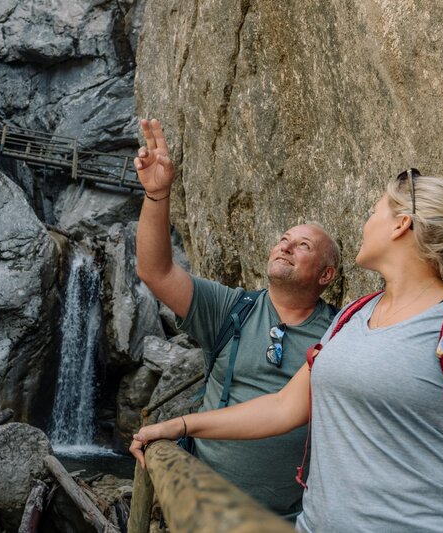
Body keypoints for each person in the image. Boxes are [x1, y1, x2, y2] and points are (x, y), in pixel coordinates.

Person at [130, 169, 443, 533]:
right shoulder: (354, 317)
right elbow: (284, 407)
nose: (365, 222)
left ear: (400, 225)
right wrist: (179, 426)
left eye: (374, 212)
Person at [132, 118, 340, 519]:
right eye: (283, 240)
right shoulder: (233, 308)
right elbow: (155, 272)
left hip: (286, 518)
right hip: (198, 502)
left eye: (302, 246)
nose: (285, 247)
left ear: (326, 275)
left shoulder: (339, 332)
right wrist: (157, 195)